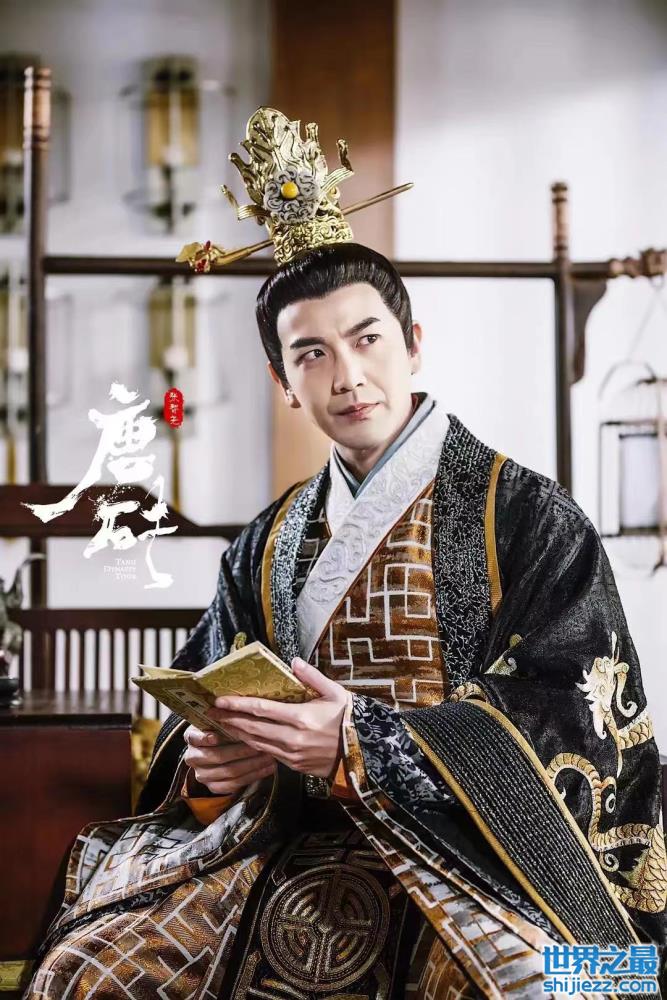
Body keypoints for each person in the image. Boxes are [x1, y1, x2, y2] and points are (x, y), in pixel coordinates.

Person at [25, 108, 666, 1000]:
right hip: (285, 843)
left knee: (546, 984)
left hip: (472, 854)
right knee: (92, 969)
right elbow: (201, 700)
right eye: (311, 354)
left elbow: (575, 716)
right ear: (284, 382)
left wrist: (363, 741)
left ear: (412, 344)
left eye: (367, 340)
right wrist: (213, 767)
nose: (347, 376)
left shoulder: (527, 518)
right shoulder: (265, 543)